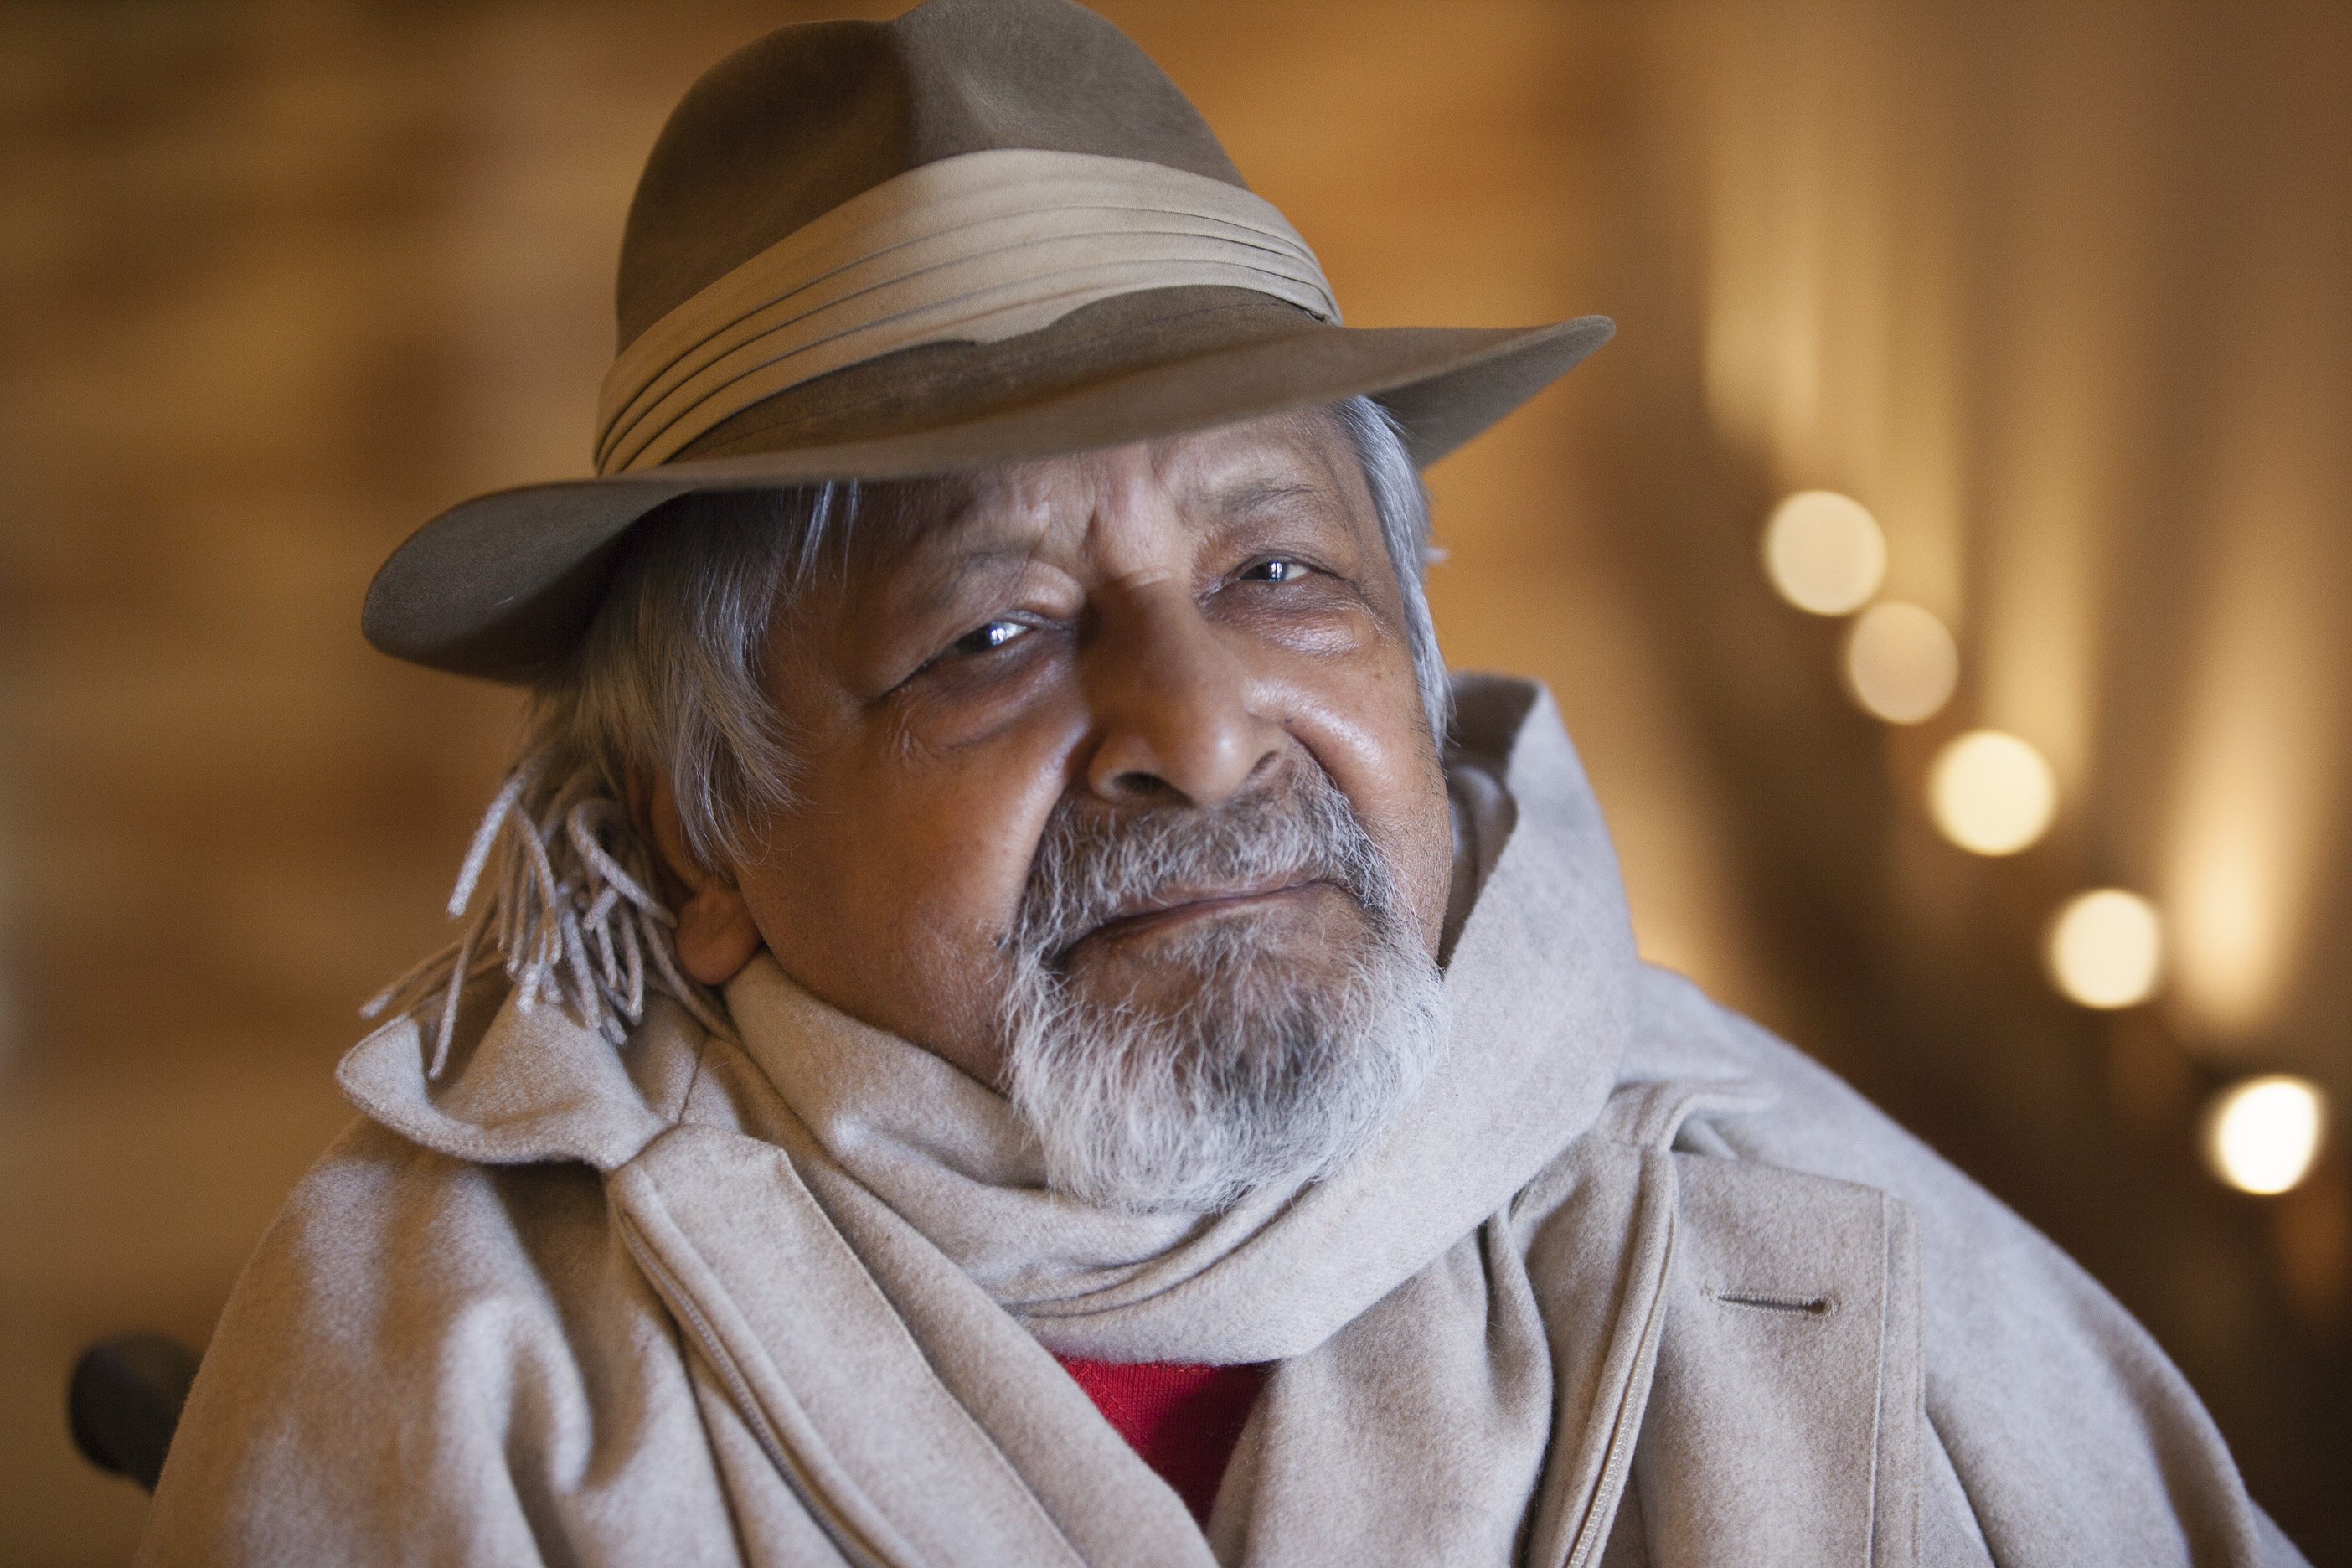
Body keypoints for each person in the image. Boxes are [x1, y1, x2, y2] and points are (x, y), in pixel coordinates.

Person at [137, 2, 2307, 1563]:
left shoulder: (1825, 1261)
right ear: (704, 837)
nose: (1196, 724)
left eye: (1278, 570)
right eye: (990, 634)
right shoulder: (455, 1378)